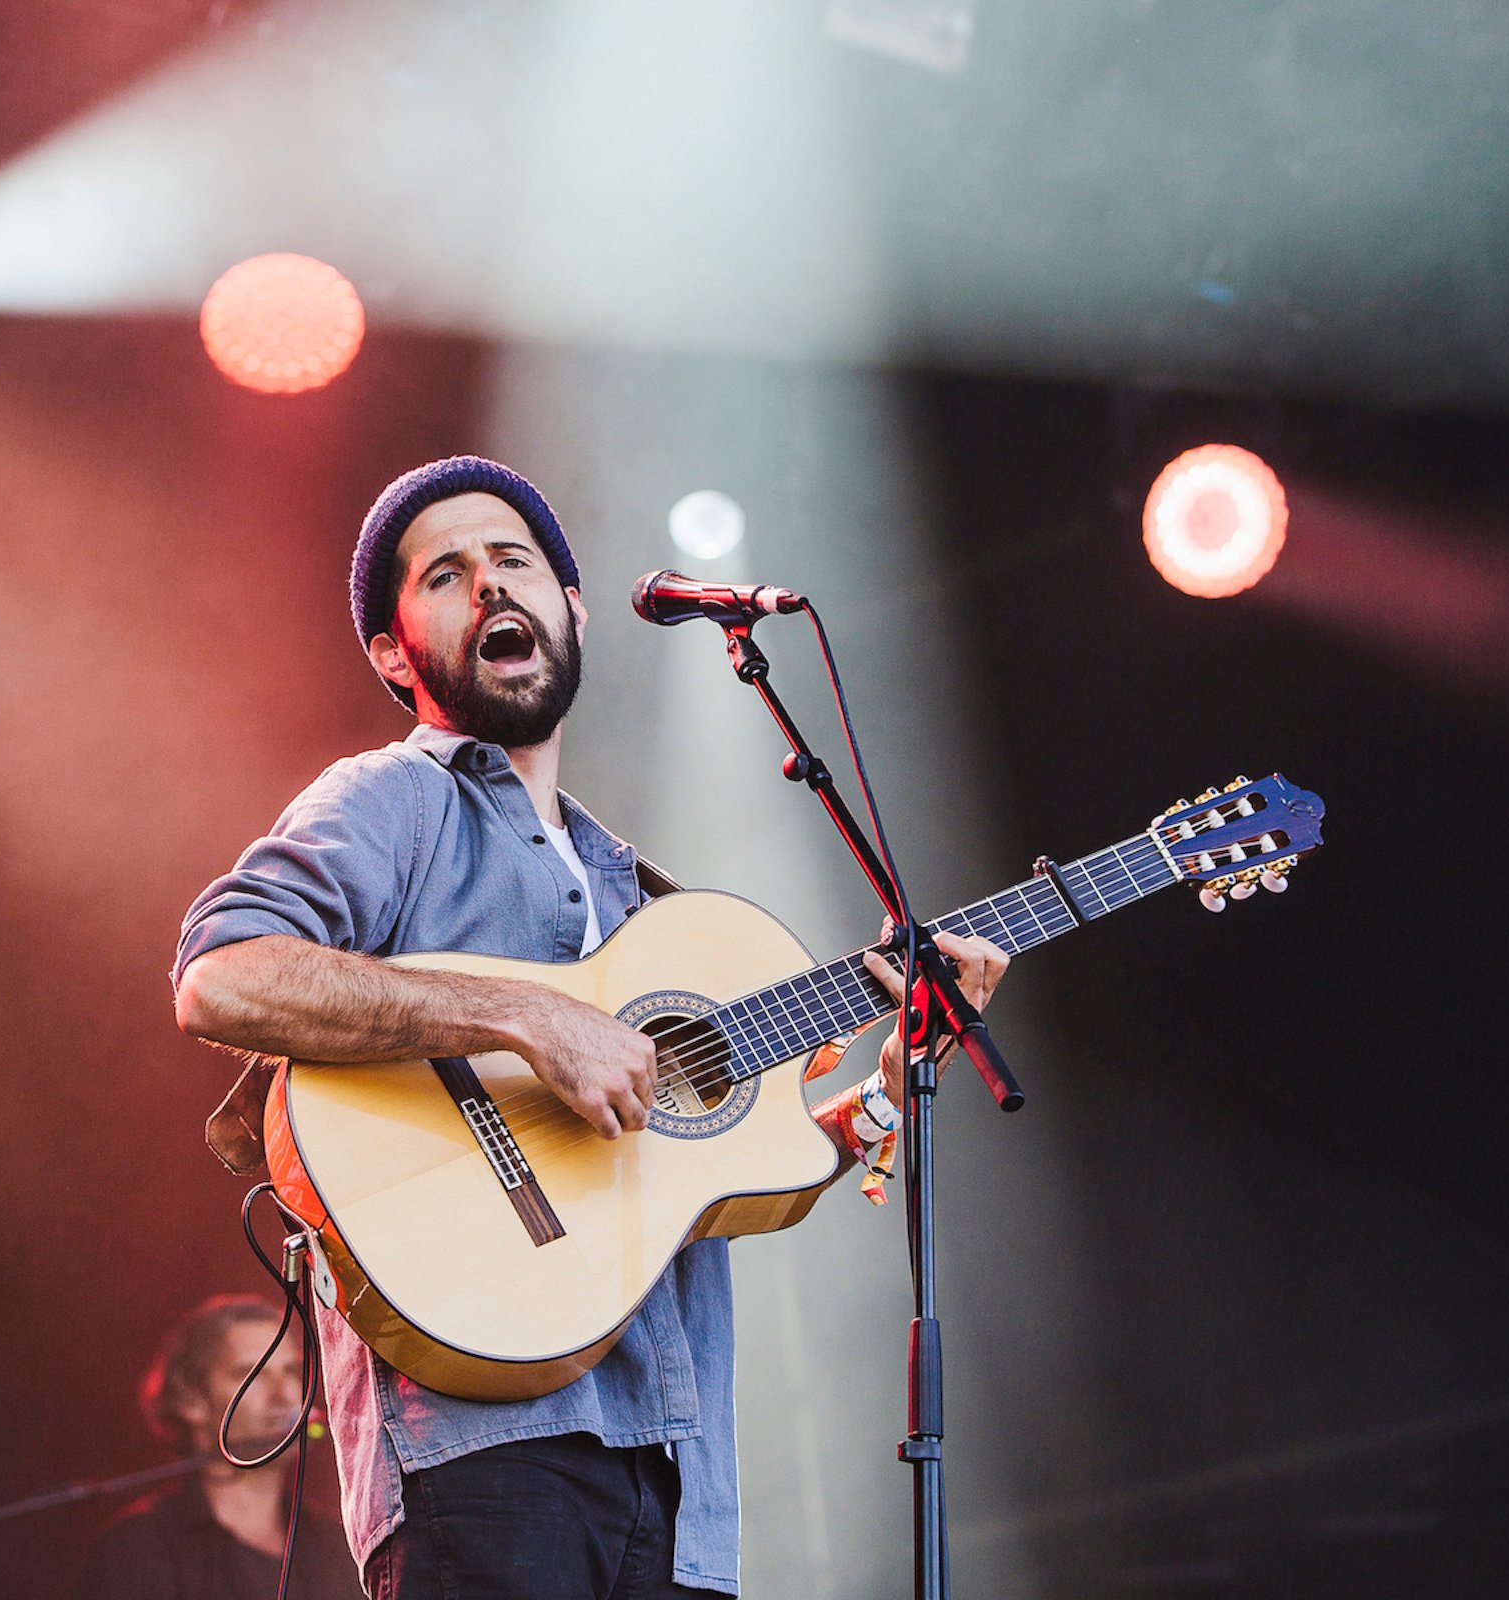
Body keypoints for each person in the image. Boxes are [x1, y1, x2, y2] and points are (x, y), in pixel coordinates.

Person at [171, 456, 1008, 1599]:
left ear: (572, 609)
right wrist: (525, 1015)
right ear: (390, 649)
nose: (490, 587)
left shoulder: (634, 892)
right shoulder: (393, 800)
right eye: (448, 575)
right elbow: (223, 975)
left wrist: (889, 1083)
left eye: (515, 561)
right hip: (482, 1453)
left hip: (680, 1477)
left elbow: (712, 1174)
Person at [77, 1294, 362, 1600]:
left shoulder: (343, 1546)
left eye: (291, 1372)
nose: (285, 1395)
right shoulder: (138, 1548)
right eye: (253, 1374)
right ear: (191, 1400)